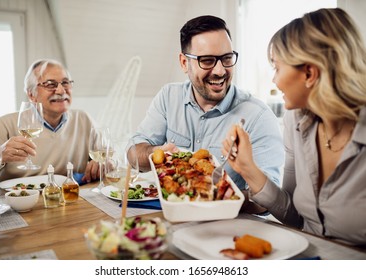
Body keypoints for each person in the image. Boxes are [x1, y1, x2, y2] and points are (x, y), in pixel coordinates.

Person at [223, 8, 366, 245]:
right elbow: (294, 217)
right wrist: (248, 169)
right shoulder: (296, 120)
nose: (274, 80)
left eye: (277, 68)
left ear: (309, 73)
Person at [131, 15, 284, 191]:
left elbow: (270, 199)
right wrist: (156, 153)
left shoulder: (258, 117)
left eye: (227, 58)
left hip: (229, 218)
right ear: (184, 63)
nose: (220, 71)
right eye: (207, 61)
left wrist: (223, 194)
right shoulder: (168, 97)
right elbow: (133, 153)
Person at [0, 59, 99, 183]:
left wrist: (105, 163)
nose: (61, 91)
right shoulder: (3, 124)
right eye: (50, 84)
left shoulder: (84, 119)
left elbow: (111, 156)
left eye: (65, 83)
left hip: (69, 198)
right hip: (17, 199)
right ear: (31, 95)